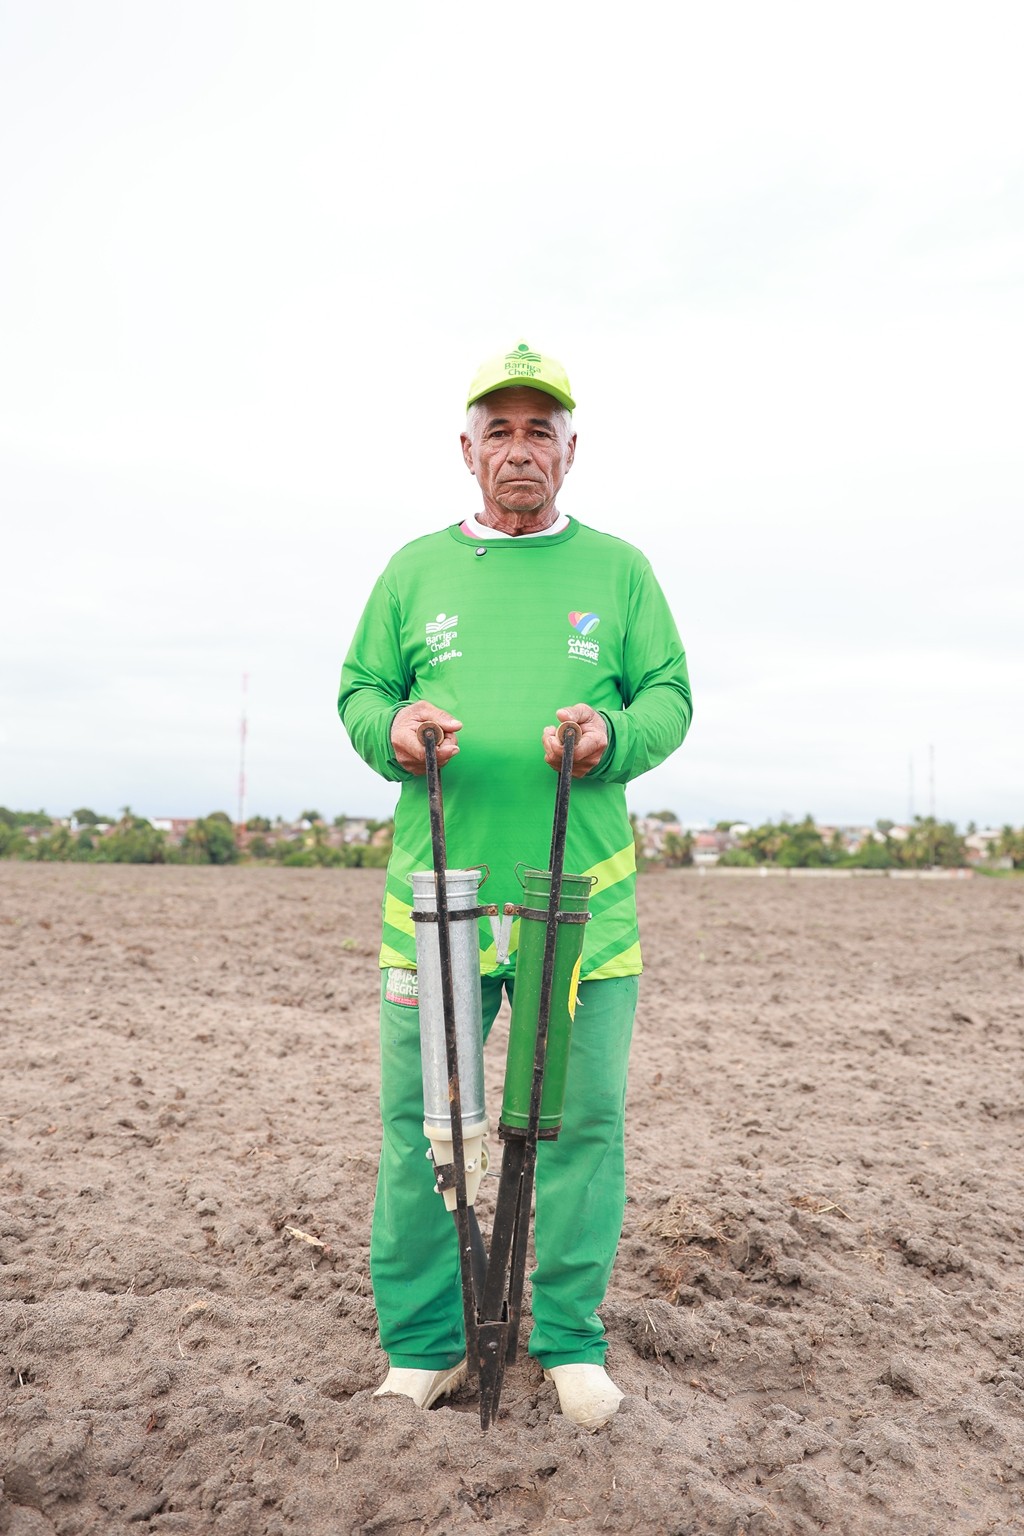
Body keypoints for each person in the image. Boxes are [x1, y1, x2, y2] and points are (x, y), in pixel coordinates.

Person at [338, 341, 691, 1429]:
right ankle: (426, 1346)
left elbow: (670, 697)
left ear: (571, 451)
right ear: (467, 450)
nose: (521, 449)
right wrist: (393, 727)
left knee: (578, 1126)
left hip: (578, 906)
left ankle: (569, 1340)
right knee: (427, 1128)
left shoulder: (620, 570)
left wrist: (613, 732)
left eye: (542, 431)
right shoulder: (412, 570)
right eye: (501, 430)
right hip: (438, 900)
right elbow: (361, 693)